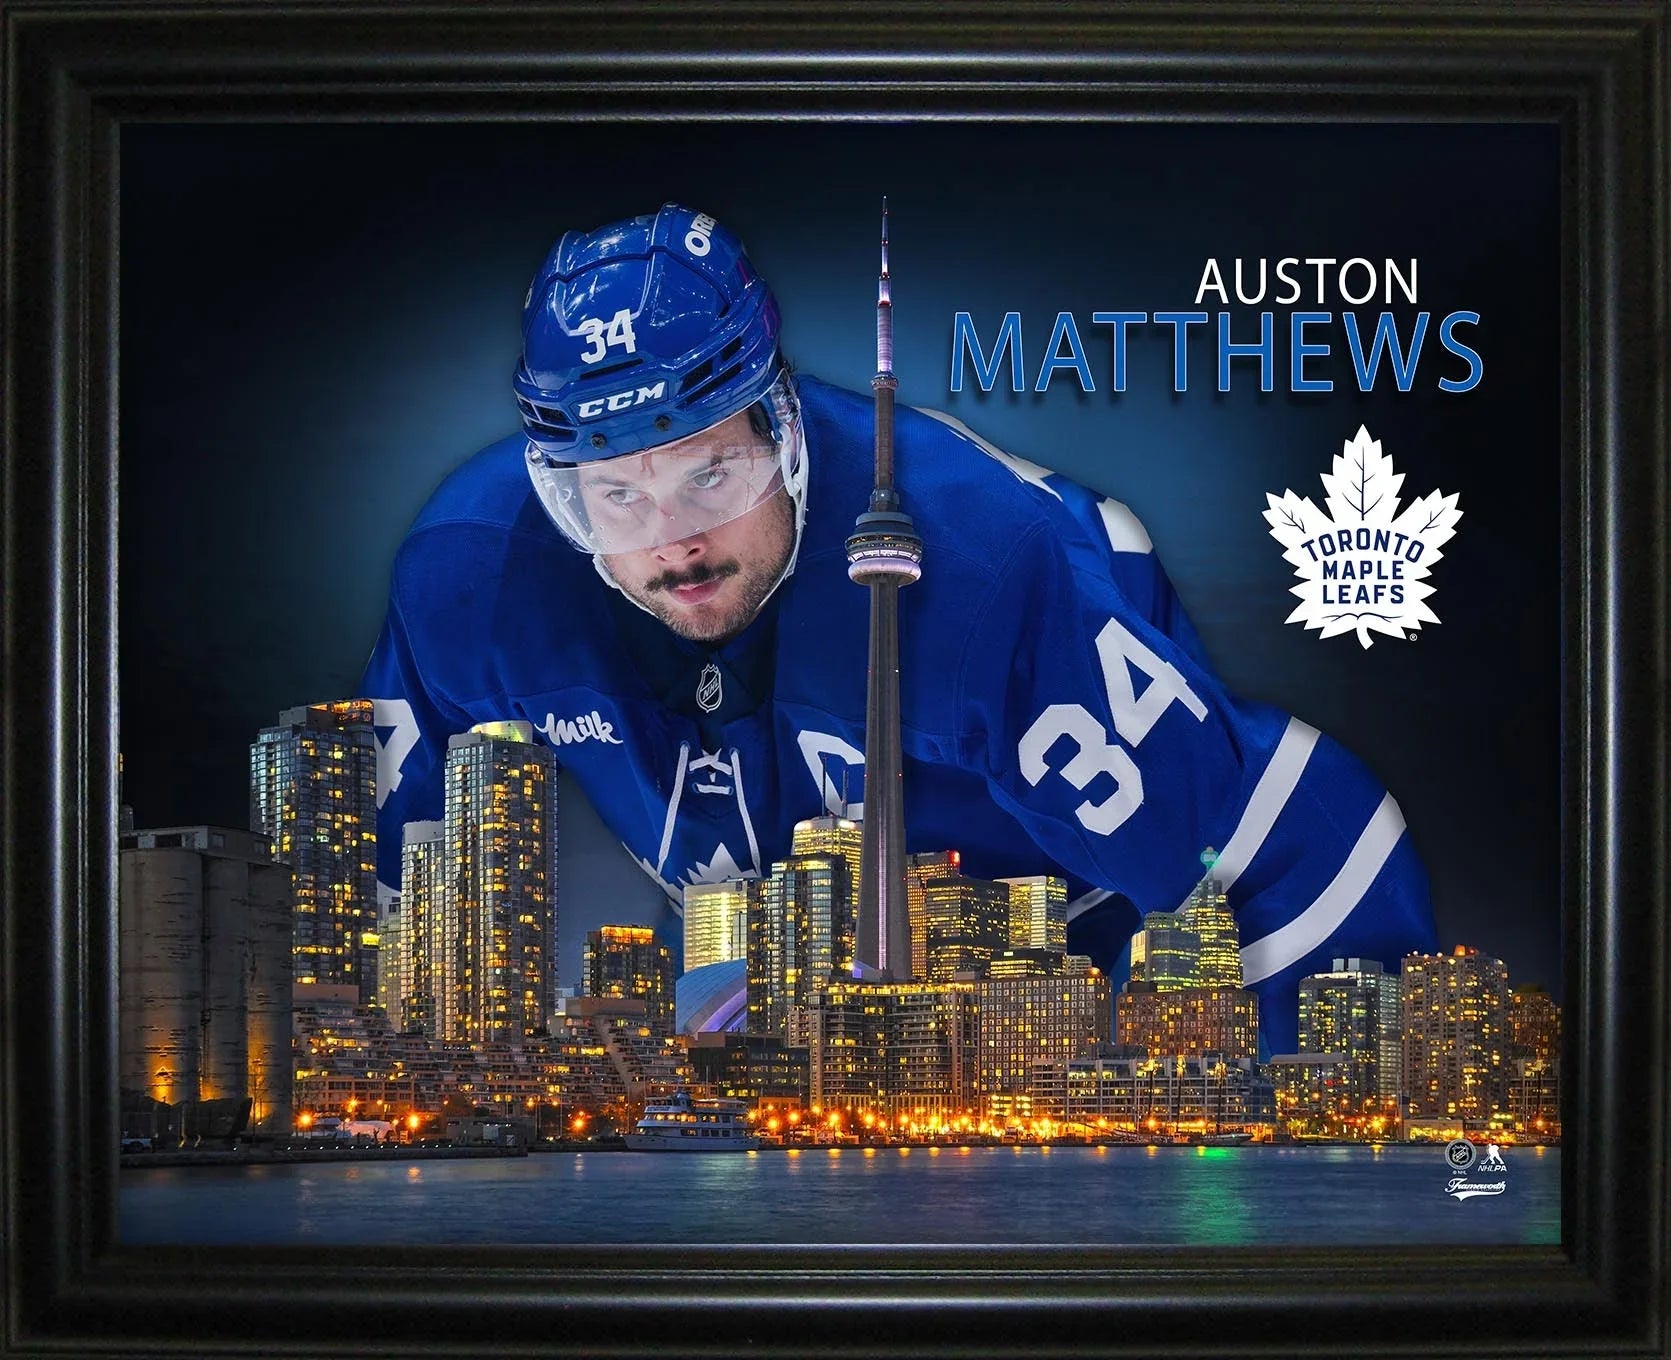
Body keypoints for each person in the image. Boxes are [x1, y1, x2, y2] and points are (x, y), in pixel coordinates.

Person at [359, 203, 1436, 1053]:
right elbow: (365, 889)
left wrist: (1309, 1147)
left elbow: (1290, 840)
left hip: (1070, 924)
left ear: (780, 429)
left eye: (710, 471)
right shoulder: (473, 569)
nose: (674, 542)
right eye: (620, 497)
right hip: (831, 985)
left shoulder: (977, 581)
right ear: (557, 491)